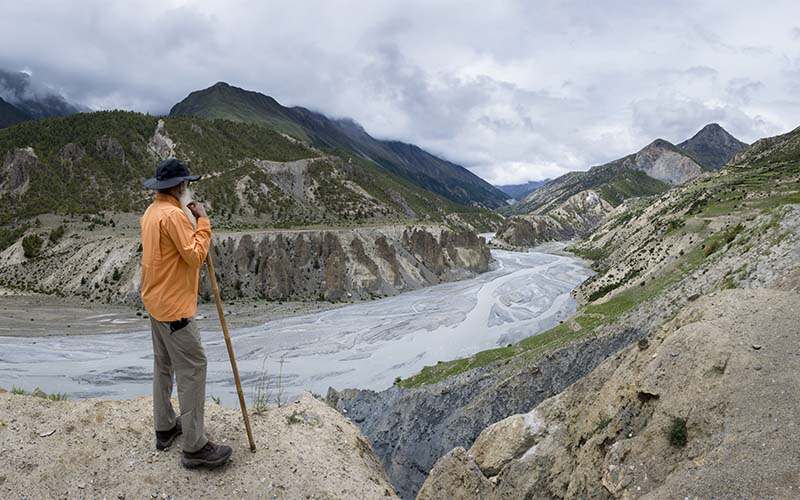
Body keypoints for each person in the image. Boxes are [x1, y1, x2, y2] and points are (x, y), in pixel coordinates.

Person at [140, 158, 232, 468]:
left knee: (163, 365)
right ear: (180, 186)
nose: (188, 188)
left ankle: (165, 427)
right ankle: (194, 446)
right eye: (187, 184)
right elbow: (194, 257)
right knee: (194, 368)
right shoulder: (174, 216)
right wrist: (203, 221)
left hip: (155, 302)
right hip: (175, 309)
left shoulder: (151, 212)